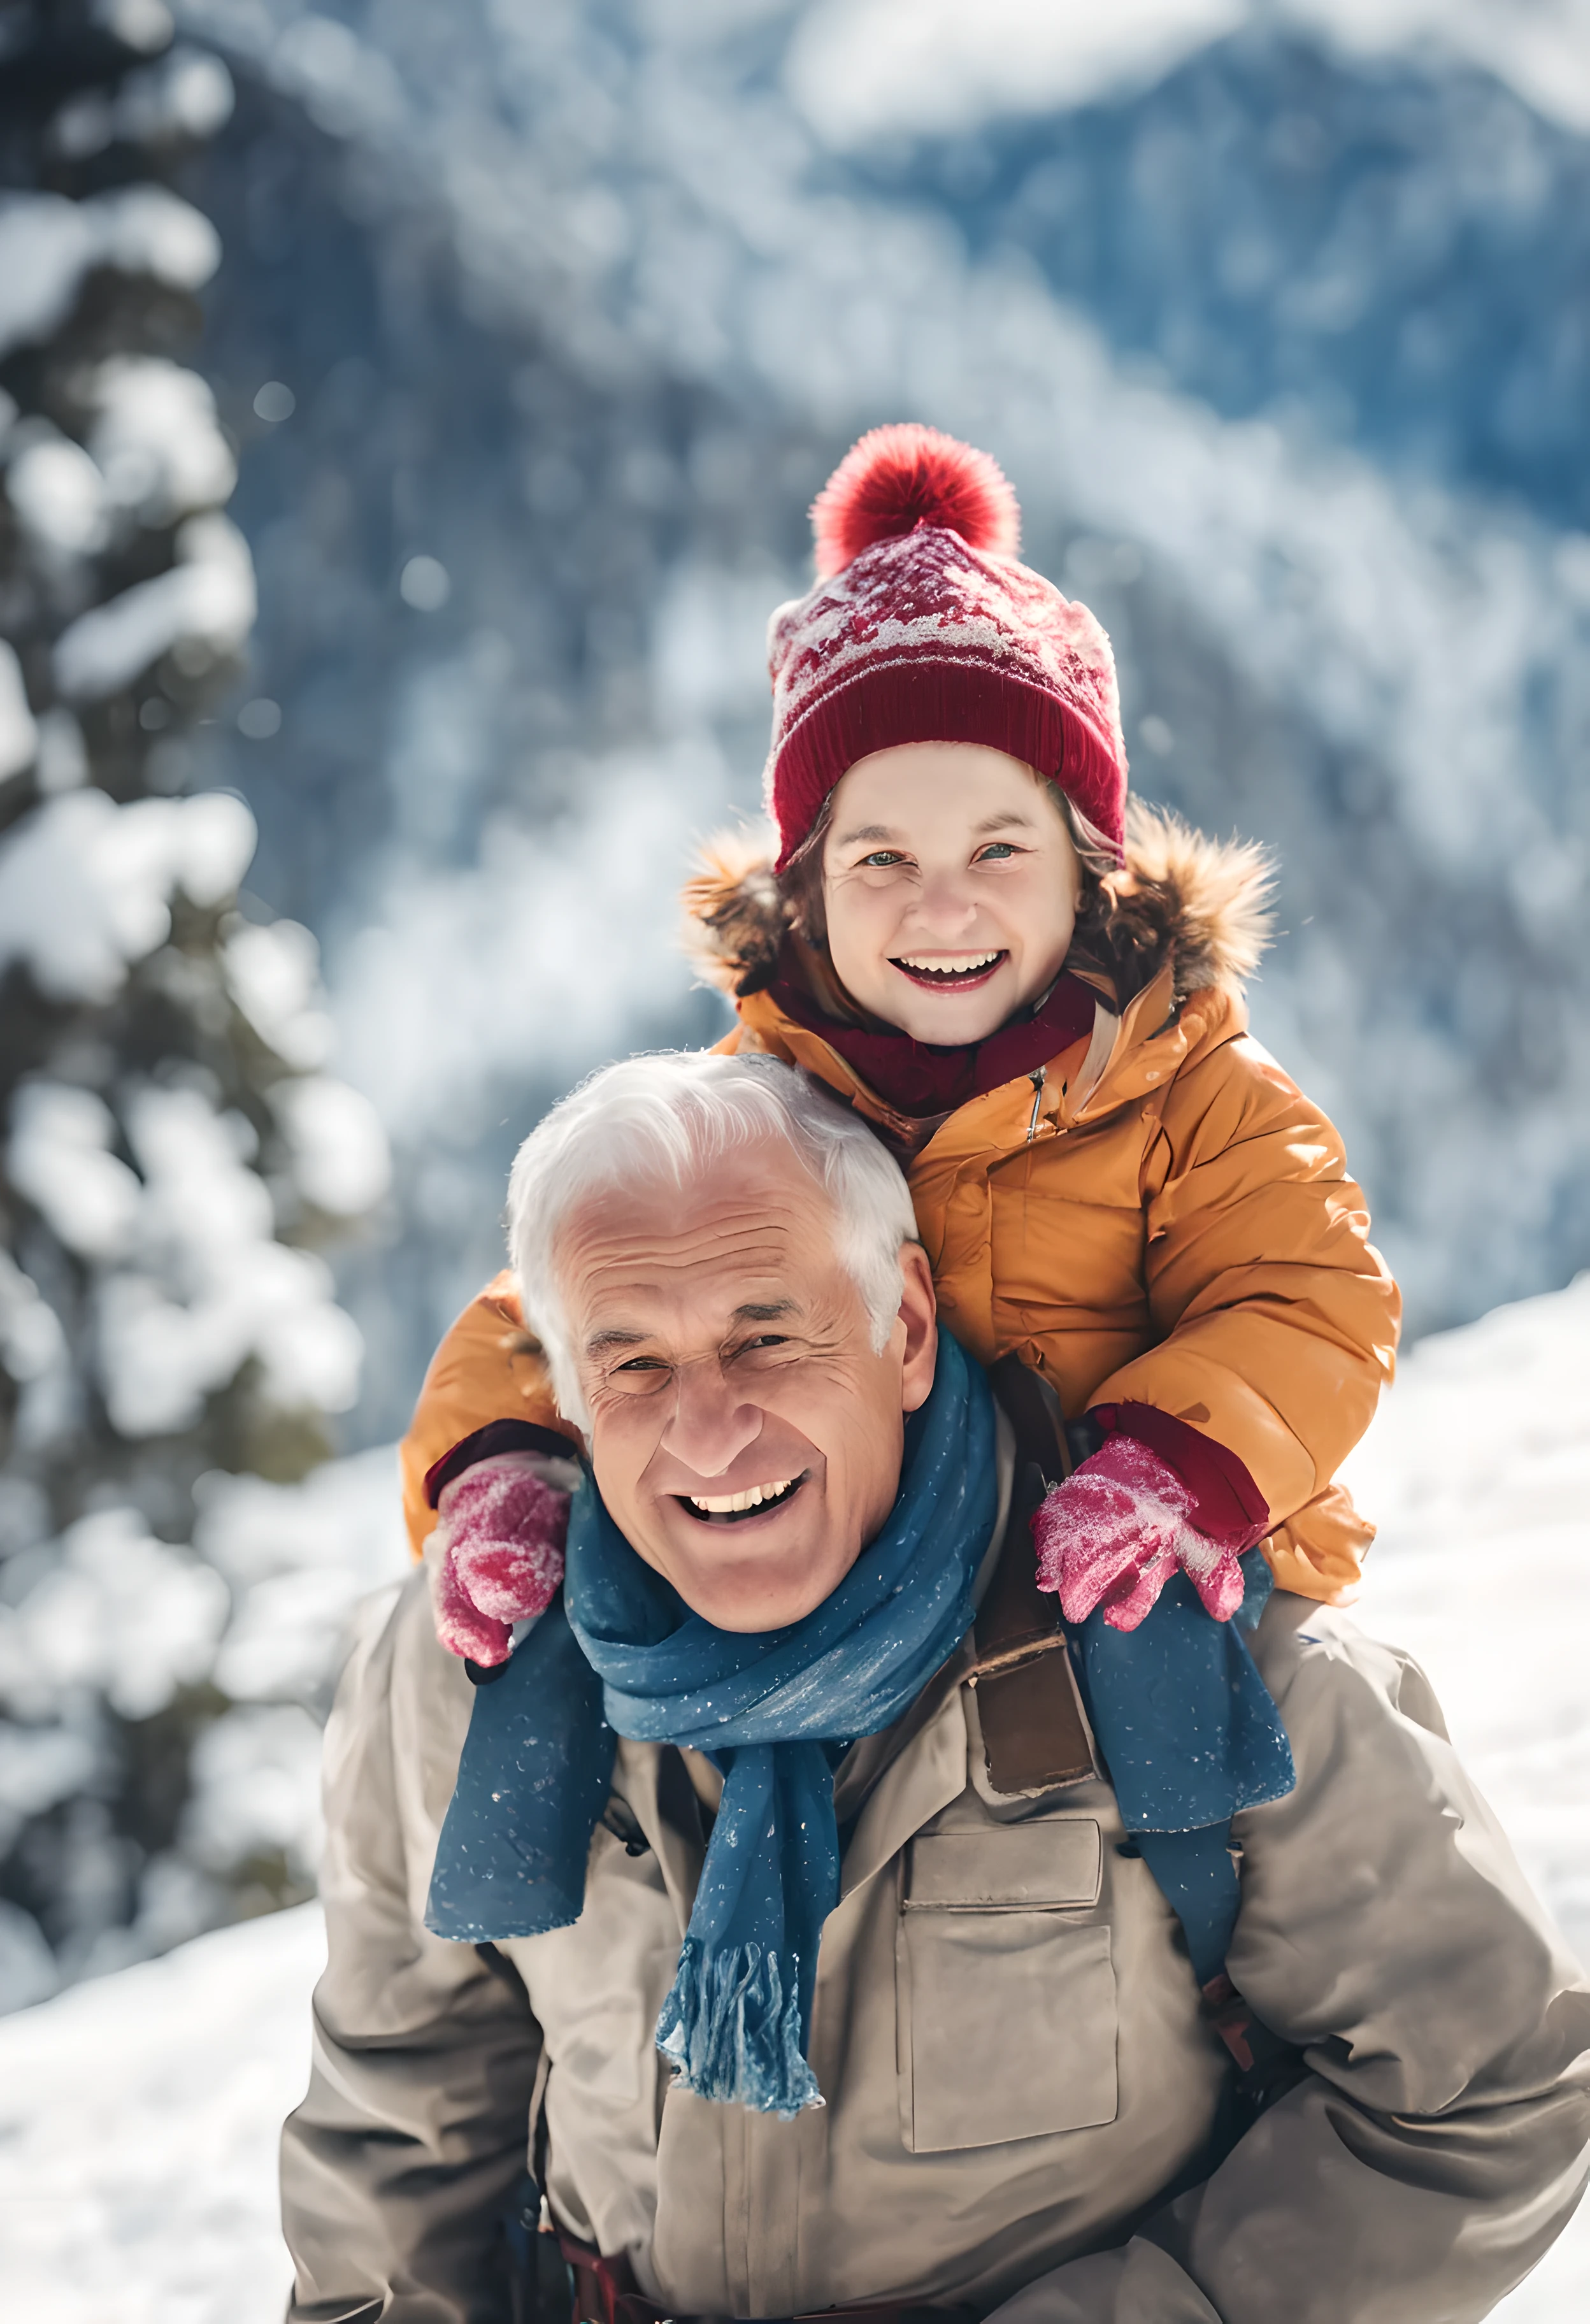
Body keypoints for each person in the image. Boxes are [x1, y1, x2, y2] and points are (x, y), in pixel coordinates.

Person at [282, 1051, 1590, 2324]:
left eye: (765, 1334)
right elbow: (401, 2120)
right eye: (633, 1363)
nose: (707, 1429)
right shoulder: (482, 1661)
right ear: (568, 1391)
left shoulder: (1170, 1639)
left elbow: (1493, 2084)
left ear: (903, 1328)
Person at [405, 422, 1398, 1977]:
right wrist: (502, 1460)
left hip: (1127, 1545)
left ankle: (1221, 1962)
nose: (942, 905)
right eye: (880, 859)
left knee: (1174, 1696)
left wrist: (1173, 1464)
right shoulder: (765, 1092)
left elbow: (1309, 1299)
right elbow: (577, 1304)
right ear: (806, 886)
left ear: (1089, 868)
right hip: (870, 1553)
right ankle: (523, 1954)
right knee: (570, 1620)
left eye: (999, 848)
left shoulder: (1192, 1088)